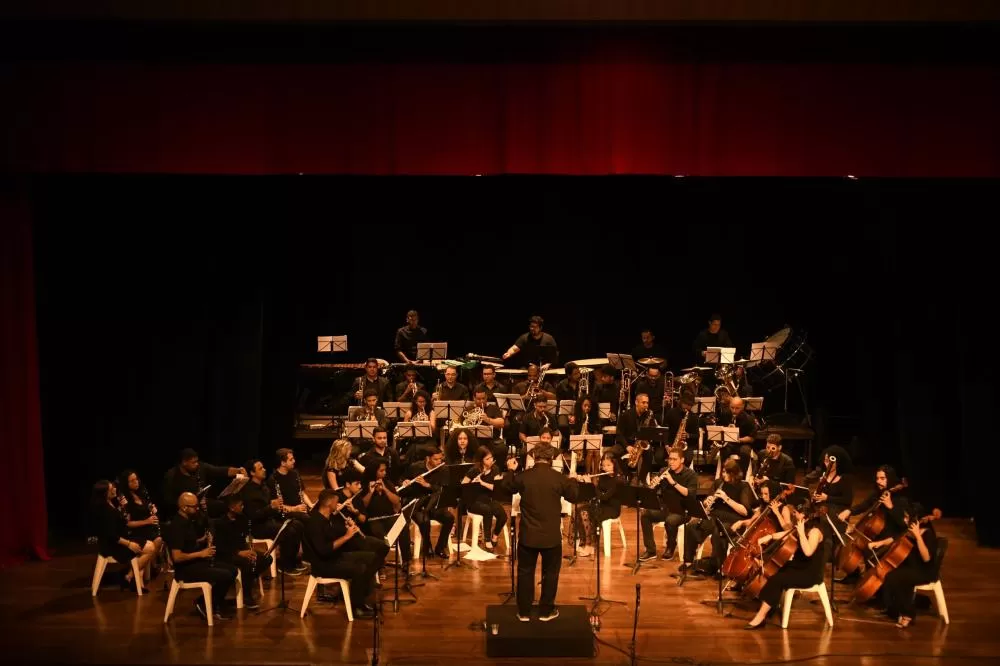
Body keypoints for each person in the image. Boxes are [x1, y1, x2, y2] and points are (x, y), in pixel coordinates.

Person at [500, 441, 579, 622]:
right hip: (551, 537)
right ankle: (546, 611)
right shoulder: (559, 478)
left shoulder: (524, 477)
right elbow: (573, 496)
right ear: (552, 458)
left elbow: (506, 489)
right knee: (550, 573)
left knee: (525, 572)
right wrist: (573, 479)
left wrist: (511, 470)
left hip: (528, 535)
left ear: (534, 457)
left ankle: (524, 612)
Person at [744, 504, 827, 630]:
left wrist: (801, 533)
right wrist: (770, 537)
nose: (794, 514)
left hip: (810, 573)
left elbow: (808, 552)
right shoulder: (803, 526)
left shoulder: (815, 531)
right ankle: (769, 605)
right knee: (773, 570)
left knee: (778, 579)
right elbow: (787, 533)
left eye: (797, 513)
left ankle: (760, 617)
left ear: (805, 516)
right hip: (799, 566)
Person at [303, 489, 378, 620]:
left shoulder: (328, 517)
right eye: (336, 502)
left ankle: (360, 594)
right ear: (329, 503)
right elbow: (323, 550)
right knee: (360, 569)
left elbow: (333, 535)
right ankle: (357, 607)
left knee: (371, 557)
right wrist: (347, 536)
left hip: (334, 558)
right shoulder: (315, 522)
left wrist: (347, 528)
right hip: (323, 565)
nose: (338, 505)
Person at [163, 492, 238, 621]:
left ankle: (214, 602)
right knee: (225, 574)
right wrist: (202, 553)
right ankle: (204, 603)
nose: (197, 509)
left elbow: (188, 542)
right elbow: (177, 556)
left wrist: (203, 540)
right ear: (184, 508)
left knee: (232, 570)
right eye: (194, 506)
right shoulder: (177, 525)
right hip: (185, 570)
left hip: (196, 563)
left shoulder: (188, 521)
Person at [879, 504, 940, 628]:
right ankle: (896, 610)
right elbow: (895, 538)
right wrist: (879, 543)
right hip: (911, 568)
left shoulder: (928, 534)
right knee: (892, 576)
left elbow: (926, 558)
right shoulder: (909, 530)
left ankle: (908, 613)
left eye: (907, 517)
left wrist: (918, 536)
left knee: (894, 577)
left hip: (924, 571)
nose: (905, 519)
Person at [91, 479, 157, 593]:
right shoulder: (105, 510)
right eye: (112, 489)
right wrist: (130, 544)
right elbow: (111, 535)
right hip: (114, 545)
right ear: (105, 493)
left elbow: (122, 521)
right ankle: (130, 576)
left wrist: (122, 508)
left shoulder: (111, 503)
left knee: (150, 545)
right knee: (150, 548)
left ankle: (130, 577)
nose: (115, 490)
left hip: (120, 539)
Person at [639, 447, 698, 561]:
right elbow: (653, 493)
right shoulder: (664, 471)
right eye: (669, 459)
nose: (671, 462)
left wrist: (673, 482)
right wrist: (653, 486)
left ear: (682, 460)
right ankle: (651, 550)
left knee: (670, 520)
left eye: (674, 459)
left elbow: (689, 494)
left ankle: (670, 547)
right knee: (645, 514)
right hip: (666, 507)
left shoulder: (691, 475)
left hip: (683, 510)